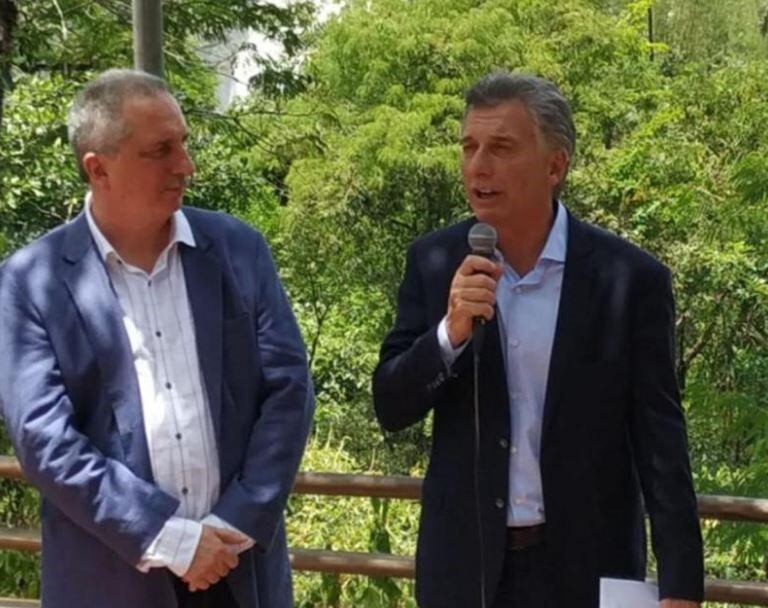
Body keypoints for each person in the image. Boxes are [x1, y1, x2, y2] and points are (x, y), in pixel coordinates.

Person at [372, 72, 704, 608]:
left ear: (555, 165)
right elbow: (390, 404)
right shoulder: (435, 264)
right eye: (469, 146)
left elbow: (660, 438)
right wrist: (449, 333)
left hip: (591, 569)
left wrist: (682, 584)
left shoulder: (630, 279)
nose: (478, 165)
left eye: (501, 147)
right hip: (466, 572)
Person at [0, 69, 314, 608]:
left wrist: (230, 528)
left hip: (238, 573)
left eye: (183, 144)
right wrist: (171, 539)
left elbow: (289, 393)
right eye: (161, 150)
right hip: (114, 580)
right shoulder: (30, 280)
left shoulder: (239, 250)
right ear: (98, 169)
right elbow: (44, 440)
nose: (185, 165)